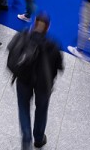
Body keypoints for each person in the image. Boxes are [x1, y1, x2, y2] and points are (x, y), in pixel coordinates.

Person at [7, 14, 64, 150]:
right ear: (48, 27)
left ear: (34, 23)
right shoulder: (53, 46)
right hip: (43, 86)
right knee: (42, 110)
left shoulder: (24, 37)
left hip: (23, 81)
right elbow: (59, 67)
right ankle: (38, 138)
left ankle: (26, 138)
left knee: (23, 108)